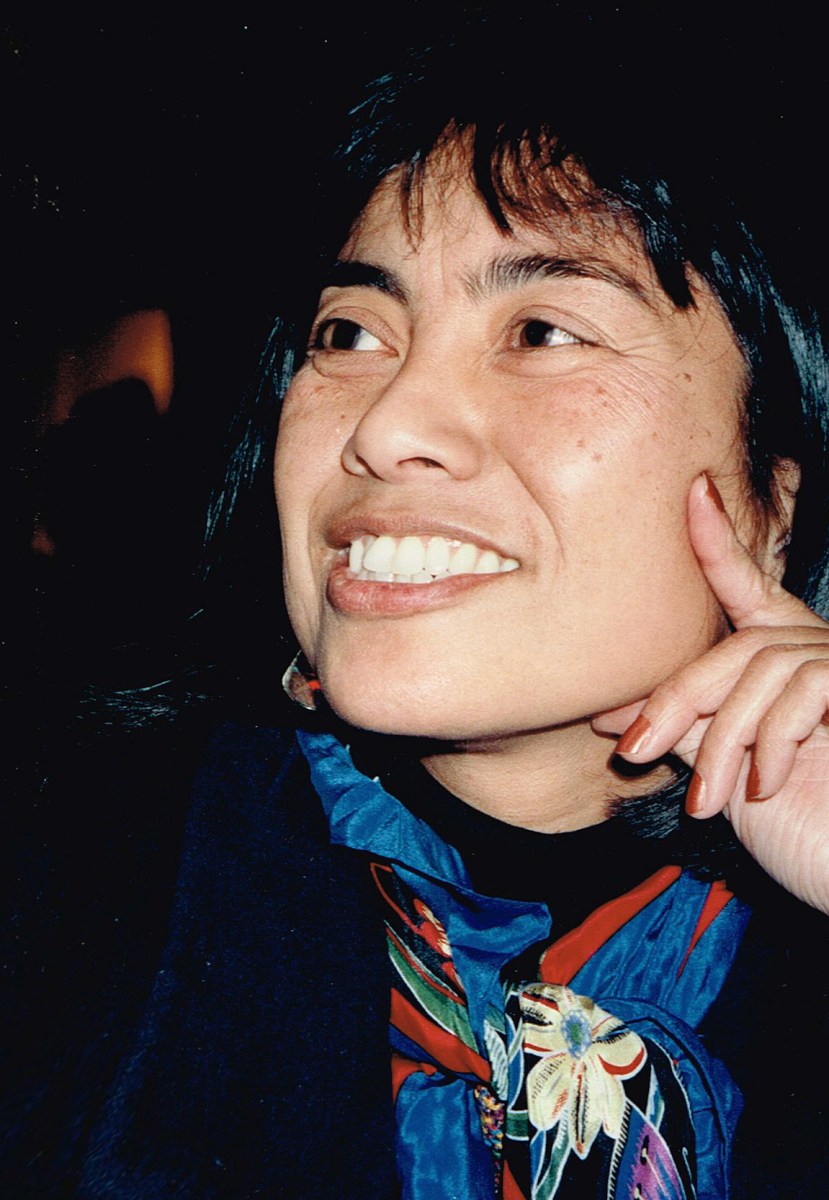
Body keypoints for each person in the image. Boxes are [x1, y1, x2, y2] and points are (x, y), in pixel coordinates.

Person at [5, 17, 829, 1200]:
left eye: (539, 332)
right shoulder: (69, 872)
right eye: (349, 333)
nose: (386, 426)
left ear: (771, 506)